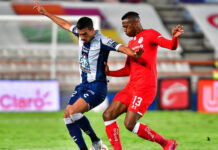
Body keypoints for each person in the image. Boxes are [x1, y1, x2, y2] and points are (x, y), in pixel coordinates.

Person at [34, 2, 143, 150]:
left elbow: (122, 48)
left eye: (85, 34)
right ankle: (92, 146)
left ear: (92, 30)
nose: (82, 37)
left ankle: (96, 142)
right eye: (80, 34)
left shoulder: (103, 40)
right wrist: (45, 13)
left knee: (74, 112)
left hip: (97, 87)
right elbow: (65, 24)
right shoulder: (80, 34)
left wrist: (135, 54)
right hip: (83, 85)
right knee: (67, 116)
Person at [103, 11, 184, 150]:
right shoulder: (131, 42)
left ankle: (166, 143)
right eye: (123, 27)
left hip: (145, 88)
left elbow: (171, 46)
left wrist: (174, 38)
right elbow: (127, 69)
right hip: (131, 87)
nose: (124, 30)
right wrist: (109, 72)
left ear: (135, 24)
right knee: (108, 114)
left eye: (126, 26)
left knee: (129, 124)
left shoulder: (150, 34)